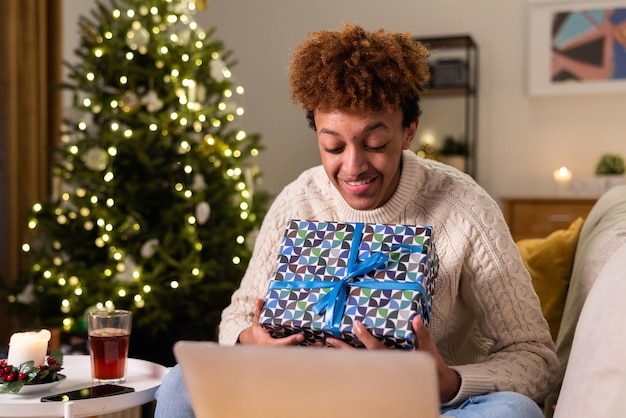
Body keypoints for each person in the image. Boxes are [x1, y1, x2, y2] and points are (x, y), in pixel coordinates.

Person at [155, 24, 558, 418]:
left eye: (375, 144)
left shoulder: (465, 208)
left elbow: (535, 358)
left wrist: (447, 382)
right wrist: (250, 342)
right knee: (178, 383)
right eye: (333, 145)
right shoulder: (299, 200)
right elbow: (237, 317)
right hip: (306, 397)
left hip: (422, 407)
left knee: (513, 411)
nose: (353, 167)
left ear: (408, 131)